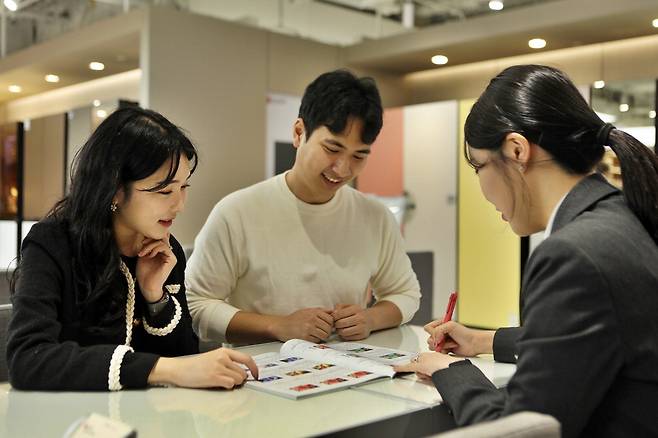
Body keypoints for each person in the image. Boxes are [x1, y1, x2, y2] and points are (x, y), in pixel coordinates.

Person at [395, 65, 658, 437]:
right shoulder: (620, 216)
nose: (483, 191)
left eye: (478, 167)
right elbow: (597, 332)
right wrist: (485, 340)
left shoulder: (572, 254)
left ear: (516, 150)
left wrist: (446, 370)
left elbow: (519, 427)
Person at [7, 107, 257, 391]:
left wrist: (156, 298)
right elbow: (27, 359)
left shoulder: (163, 249)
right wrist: (161, 368)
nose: (179, 205)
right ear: (113, 188)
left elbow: (185, 356)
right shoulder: (53, 243)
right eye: (164, 191)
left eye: (184, 187)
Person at [186, 70, 420, 345]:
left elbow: (405, 294)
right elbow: (196, 305)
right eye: (332, 149)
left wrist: (370, 318)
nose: (343, 169)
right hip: (259, 375)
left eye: (358, 155)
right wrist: (277, 326)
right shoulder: (237, 213)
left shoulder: (374, 217)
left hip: (350, 370)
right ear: (299, 132)